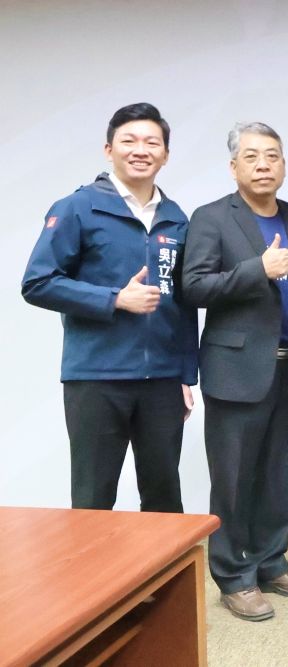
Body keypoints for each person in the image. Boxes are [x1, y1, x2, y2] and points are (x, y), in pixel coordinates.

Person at [22, 102, 197, 513]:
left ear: (165, 155)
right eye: (129, 141)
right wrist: (114, 298)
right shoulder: (77, 207)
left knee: (163, 498)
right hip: (96, 379)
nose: (141, 150)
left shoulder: (176, 218)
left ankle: (161, 564)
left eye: (152, 142)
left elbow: (184, 302)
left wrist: (186, 375)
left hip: (162, 381)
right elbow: (37, 282)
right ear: (108, 150)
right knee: (93, 499)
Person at [181, 122, 288, 621]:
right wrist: (255, 270)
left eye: (273, 155)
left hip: (287, 368)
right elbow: (193, 287)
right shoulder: (212, 217)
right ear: (233, 166)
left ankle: (271, 561)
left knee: (273, 472)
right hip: (235, 369)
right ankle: (233, 575)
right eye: (252, 156)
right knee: (233, 478)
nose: (264, 165)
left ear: (284, 164)